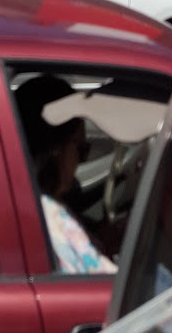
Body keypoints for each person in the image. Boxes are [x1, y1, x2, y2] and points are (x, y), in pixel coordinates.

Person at [15, 74, 115, 276]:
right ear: (57, 149)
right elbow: (106, 281)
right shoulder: (49, 218)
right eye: (82, 149)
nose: (80, 161)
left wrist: (101, 238)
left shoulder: (28, 203)